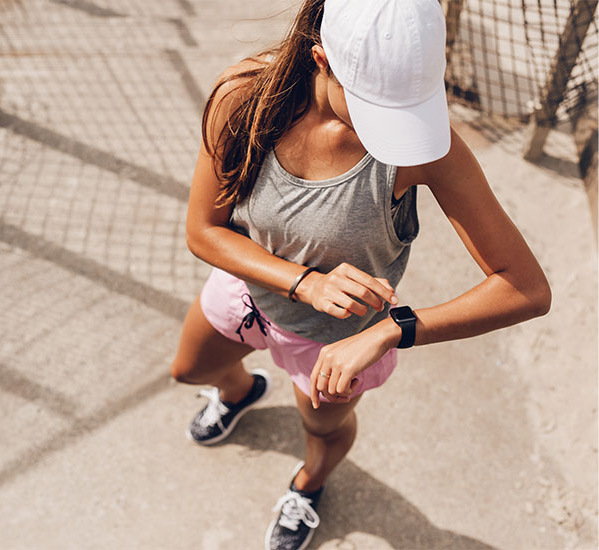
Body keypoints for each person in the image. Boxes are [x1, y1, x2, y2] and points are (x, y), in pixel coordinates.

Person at [170, 0, 552, 548]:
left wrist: (391, 328)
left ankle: (308, 485)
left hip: (333, 343)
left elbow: (526, 288)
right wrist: (305, 282)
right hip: (248, 290)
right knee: (189, 370)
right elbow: (204, 231)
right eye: (379, 107)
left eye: (412, 106)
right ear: (320, 58)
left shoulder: (424, 149)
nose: (400, 132)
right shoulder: (243, 99)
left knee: (321, 430)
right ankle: (239, 391)